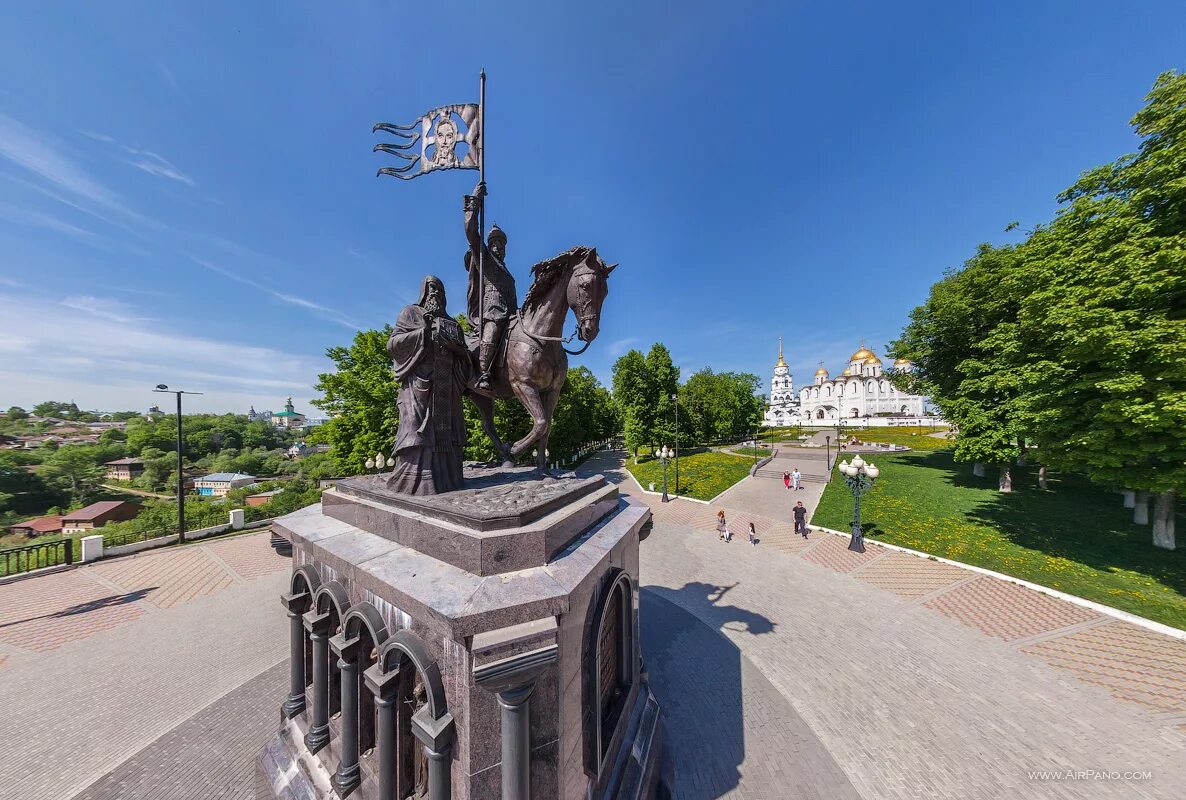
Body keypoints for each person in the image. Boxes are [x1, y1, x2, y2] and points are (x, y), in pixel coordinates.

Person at [385, 276, 472, 495]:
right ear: (424, 291)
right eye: (432, 289)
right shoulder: (410, 313)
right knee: (418, 431)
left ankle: (448, 479)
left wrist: (457, 349)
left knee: (448, 433)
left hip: (447, 389)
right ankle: (414, 481)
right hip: (419, 385)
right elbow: (393, 344)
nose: (436, 294)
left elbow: (466, 360)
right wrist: (424, 333)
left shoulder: (453, 324)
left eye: (440, 290)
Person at [463, 182, 518, 392]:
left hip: (511, 314)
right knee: (492, 331)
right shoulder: (484, 259)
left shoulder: (508, 273)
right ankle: (484, 373)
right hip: (493, 312)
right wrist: (475, 200)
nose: (498, 247)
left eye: (501, 245)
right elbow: (470, 231)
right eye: (495, 243)